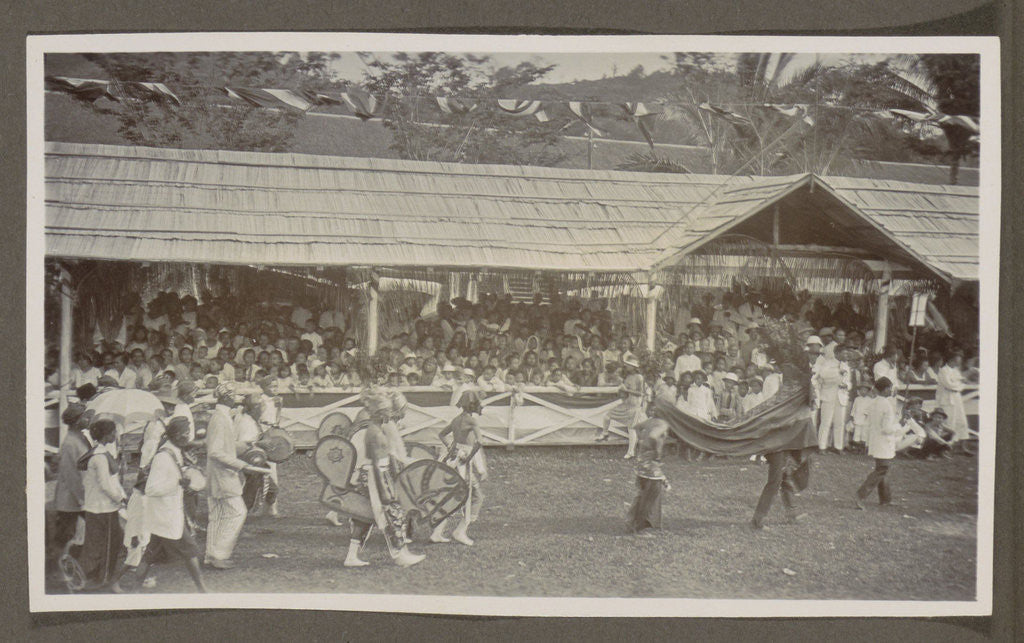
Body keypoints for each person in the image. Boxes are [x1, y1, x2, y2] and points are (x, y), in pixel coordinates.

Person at [343, 392, 425, 567]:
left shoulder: (377, 429)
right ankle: (400, 555)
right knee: (392, 513)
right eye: (388, 411)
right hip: (376, 477)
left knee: (364, 518)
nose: (391, 414)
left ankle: (351, 556)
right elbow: (375, 463)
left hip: (375, 475)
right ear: (380, 412)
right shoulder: (374, 433)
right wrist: (385, 489)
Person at [134, 417, 208, 592]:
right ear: (175, 434)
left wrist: (186, 476)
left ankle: (134, 590)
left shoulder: (173, 451)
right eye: (185, 433)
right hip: (166, 514)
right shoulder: (163, 456)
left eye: (188, 432)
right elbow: (151, 488)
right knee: (190, 550)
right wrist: (178, 483)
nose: (188, 437)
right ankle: (202, 590)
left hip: (168, 513)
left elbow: (173, 475)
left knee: (149, 554)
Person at [205, 383, 271, 569]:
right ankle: (219, 554)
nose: (238, 400)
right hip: (223, 474)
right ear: (226, 398)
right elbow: (215, 452)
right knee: (237, 512)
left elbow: (225, 447)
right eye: (234, 396)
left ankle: (211, 555)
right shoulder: (220, 419)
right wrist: (243, 465)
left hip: (220, 474)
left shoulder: (222, 416)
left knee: (217, 516)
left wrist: (247, 447)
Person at [431, 390, 486, 546]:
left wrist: (452, 447)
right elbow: (479, 442)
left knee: (452, 496)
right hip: (462, 464)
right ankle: (460, 531)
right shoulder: (472, 421)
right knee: (476, 497)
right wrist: (468, 457)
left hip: (451, 461)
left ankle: (437, 532)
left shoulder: (456, 420)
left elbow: (441, 434)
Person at [77, 418, 127, 590]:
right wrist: (119, 499)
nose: (115, 434)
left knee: (102, 543)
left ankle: (95, 577)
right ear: (105, 435)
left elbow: (111, 481)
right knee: (107, 545)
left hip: (100, 507)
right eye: (113, 432)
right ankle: (102, 578)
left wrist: (121, 495)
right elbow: (105, 485)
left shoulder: (100, 453)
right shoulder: (99, 457)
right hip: (102, 508)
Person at [52, 404, 93, 561]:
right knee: (66, 534)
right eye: (85, 417)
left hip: (81, 495)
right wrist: (82, 498)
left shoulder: (81, 437)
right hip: (70, 498)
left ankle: (72, 562)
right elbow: (71, 475)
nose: (88, 419)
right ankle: (58, 566)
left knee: (79, 533)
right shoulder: (70, 442)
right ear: (77, 421)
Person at [855, 377, 902, 510]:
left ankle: (885, 499)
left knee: (883, 470)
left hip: (876, 440)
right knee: (882, 469)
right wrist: (898, 426)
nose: (891, 390)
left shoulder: (874, 402)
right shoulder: (886, 404)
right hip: (884, 441)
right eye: (890, 388)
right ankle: (860, 495)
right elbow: (887, 429)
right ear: (886, 389)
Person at [596, 357, 646, 459]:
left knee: (631, 428)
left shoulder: (639, 377)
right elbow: (623, 391)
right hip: (627, 403)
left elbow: (641, 393)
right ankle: (605, 433)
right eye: (627, 365)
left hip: (635, 404)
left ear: (633, 367)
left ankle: (631, 452)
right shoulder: (627, 377)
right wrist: (621, 391)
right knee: (607, 416)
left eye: (629, 365)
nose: (627, 367)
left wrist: (627, 390)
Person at [626, 417, 670, 534]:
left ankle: (632, 522)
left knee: (643, 494)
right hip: (651, 466)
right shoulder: (663, 423)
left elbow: (636, 427)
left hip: (642, 463)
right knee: (650, 496)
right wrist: (657, 452)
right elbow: (653, 436)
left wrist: (642, 441)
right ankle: (640, 527)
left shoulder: (651, 421)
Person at [750, 447, 810, 530]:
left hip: (784, 445)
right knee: (775, 482)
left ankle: (792, 514)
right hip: (776, 447)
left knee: (785, 476)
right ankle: (757, 521)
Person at [936, 351, 970, 444]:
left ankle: (962, 446)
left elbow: (962, 383)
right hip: (947, 399)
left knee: (961, 420)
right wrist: (961, 383)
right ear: (952, 360)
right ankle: (946, 445)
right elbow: (949, 385)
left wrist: (960, 384)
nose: (959, 362)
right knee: (949, 422)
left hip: (956, 398)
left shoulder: (956, 371)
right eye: (957, 360)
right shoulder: (943, 371)